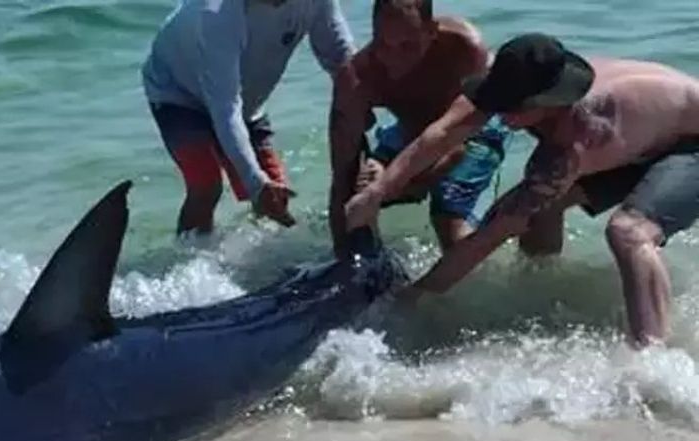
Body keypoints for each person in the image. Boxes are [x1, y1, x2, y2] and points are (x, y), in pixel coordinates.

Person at [347, 33, 699, 347]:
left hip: (688, 142)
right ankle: (543, 288)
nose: (501, 115)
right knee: (543, 207)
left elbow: (495, 230)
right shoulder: (513, 79)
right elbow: (439, 136)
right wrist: (377, 192)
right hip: (644, 136)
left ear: (545, 103)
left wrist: (416, 293)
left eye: (513, 108)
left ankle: (651, 360)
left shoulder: (576, 140)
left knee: (628, 233)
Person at [142, 0, 355, 237]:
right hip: (178, 94)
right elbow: (226, 108)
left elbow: (341, 59)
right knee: (206, 184)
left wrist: (360, 106)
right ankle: (189, 263)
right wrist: (255, 184)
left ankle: (258, 259)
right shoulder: (216, 15)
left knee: (276, 193)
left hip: (246, 101)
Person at [327, 0, 511, 258]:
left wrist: (403, 182)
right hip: (408, 130)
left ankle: (477, 280)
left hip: (472, 129)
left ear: (431, 31)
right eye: (383, 44)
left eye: (408, 46)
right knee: (358, 187)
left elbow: (454, 145)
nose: (394, 59)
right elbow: (340, 179)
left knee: (448, 219)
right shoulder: (358, 78)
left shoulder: (464, 49)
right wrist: (345, 259)